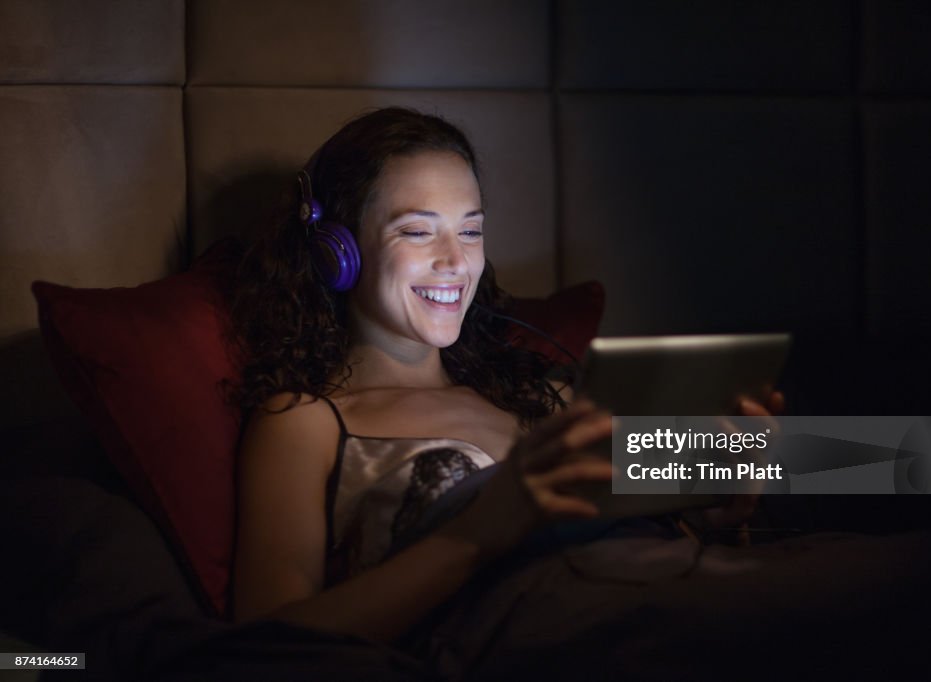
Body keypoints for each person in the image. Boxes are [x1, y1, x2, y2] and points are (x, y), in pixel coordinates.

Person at [228, 107, 784, 648]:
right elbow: (267, 647)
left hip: (674, 605)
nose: (455, 261)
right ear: (338, 253)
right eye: (419, 232)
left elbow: (671, 549)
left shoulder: (550, 398)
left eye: (470, 232)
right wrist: (481, 530)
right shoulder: (305, 421)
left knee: (851, 461)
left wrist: (720, 513)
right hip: (563, 637)